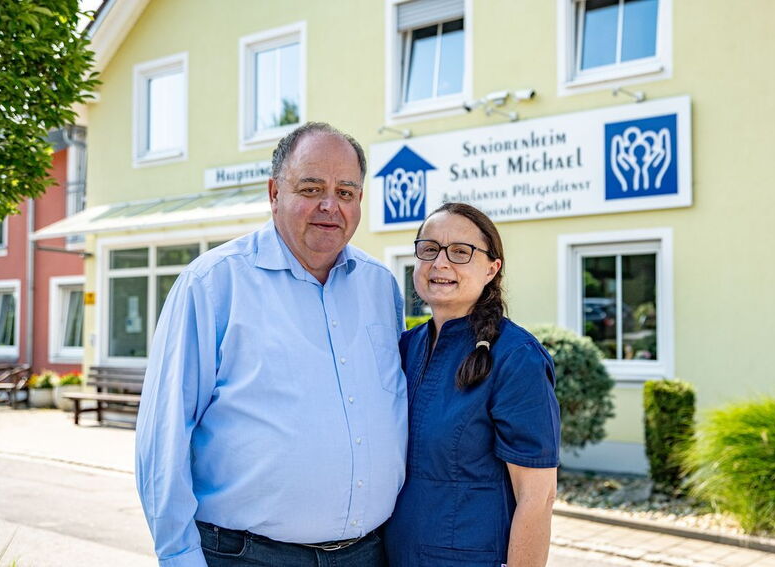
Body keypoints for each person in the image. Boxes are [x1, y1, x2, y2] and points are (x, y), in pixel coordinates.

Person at [135, 122, 407, 567]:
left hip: (368, 553)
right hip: (247, 556)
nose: (329, 205)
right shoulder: (213, 283)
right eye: (311, 187)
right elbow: (164, 435)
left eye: (346, 192)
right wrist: (180, 557)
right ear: (274, 192)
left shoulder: (380, 286)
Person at [384, 202, 561, 567]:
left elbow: (537, 496)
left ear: (491, 268)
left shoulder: (516, 357)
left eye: (461, 252)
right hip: (391, 555)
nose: (440, 263)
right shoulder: (404, 347)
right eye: (429, 249)